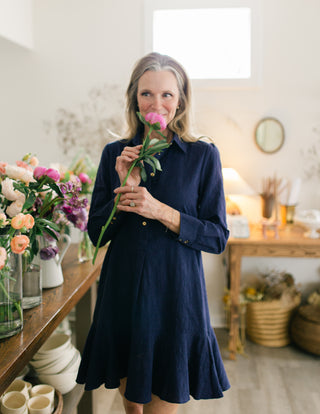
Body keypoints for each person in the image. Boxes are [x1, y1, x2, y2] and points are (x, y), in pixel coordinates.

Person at [76, 52, 230, 414]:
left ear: (180, 102)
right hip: (123, 289)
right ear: (134, 99)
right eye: (146, 94)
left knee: (162, 399)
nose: (155, 103)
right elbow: (96, 233)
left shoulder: (203, 155)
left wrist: (160, 211)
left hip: (176, 293)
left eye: (166, 95)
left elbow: (217, 236)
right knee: (131, 405)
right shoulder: (115, 153)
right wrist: (123, 188)